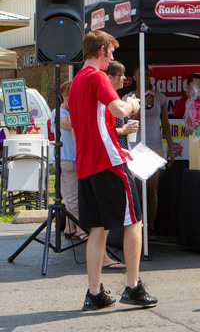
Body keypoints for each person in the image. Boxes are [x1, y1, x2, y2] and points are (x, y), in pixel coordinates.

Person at [68, 30, 157, 311]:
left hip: (87, 164)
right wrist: (134, 103)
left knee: (98, 228)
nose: (113, 58)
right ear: (102, 50)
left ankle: (94, 293)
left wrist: (119, 143)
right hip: (108, 162)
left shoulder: (75, 82)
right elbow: (120, 109)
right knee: (134, 221)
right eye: (112, 52)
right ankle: (133, 286)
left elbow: (89, 125)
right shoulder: (96, 77)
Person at [54, 80, 126, 270]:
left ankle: (71, 227)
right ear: (64, 96)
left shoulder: (71, 112)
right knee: (72, 197)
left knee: (76, 195)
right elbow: (70, 125)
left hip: (79, 158)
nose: (74, 100)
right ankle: (77, 229)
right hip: (68, 159)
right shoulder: (58, 113)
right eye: (71, 96)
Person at [129, 64, 174, 240]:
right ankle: (135, 226)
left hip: (155, 147)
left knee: (152, 189)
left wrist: (170, 146)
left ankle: (151, 227)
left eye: (147, 75)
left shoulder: (159, 97)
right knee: (137, 189)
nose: (145, 77)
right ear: (134, 77)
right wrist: (140, 107)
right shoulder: (129, 98)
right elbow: (128, 124)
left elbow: (165, 122)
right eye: (141, 74)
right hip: (136, 148)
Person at [105, 61, 138, 149]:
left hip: (119, 150)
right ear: (110, 77)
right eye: (121, 75)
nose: (124, 78)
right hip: (111, 152)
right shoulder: (106, 100)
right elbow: (102, 130)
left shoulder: (114, 97)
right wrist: (123, 130)